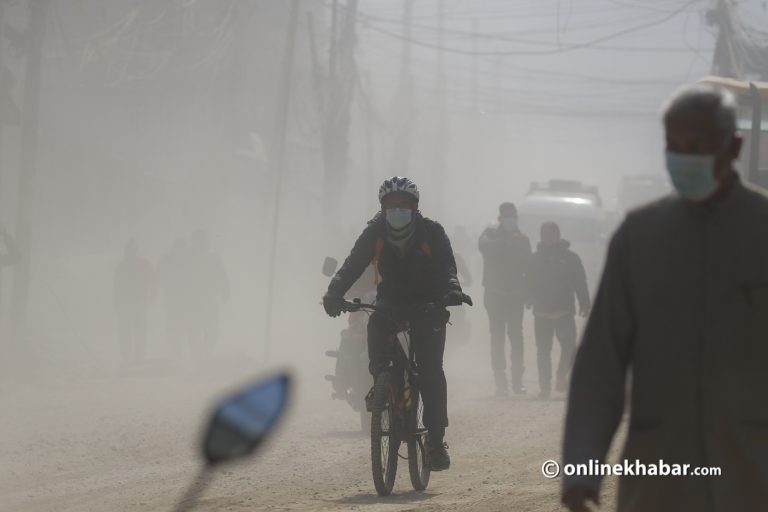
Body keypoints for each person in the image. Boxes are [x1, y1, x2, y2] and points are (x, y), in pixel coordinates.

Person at [562, 84, 768, 512]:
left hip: (753, 475)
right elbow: (602, 360)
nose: (683, 157)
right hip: (660, 481)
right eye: (673, 145)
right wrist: (581, 468)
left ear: (734, 146)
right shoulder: (638, 238)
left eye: (697, 145)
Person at [322, 177, 471, 471]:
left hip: (428, 305)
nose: (397, 210)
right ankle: (381, 386)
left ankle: (436, 440)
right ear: (382, 208)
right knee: (376, 328)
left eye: (403, 205)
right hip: (390, 302)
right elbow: (353, 264)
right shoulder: (374, 232)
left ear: (415, 207)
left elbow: (446, 267)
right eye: (391, 206)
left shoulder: (432, 232)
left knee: (430, 370)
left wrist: (451, 290)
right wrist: (334, 292)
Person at [527, 221, 590, 399]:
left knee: (569, 347)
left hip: (564, 311)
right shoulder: (535, 258)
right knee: (543, 351)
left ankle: (561, 374)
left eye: (549, 234)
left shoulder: (571, 258)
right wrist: (529, 297)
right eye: (543, 234)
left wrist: (584, 303)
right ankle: (544, 387)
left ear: (557, 235)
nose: (546, 238)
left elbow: (580, 282)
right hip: (542, 312)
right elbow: (528, 281)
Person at [478, 202, 531, 396]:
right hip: (495, 294)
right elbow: (482, 246)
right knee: (497, 337)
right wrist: (503, 242)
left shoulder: (523, 239)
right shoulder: (490, 234)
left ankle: (517, 381)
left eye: (513, 216)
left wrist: (529, 292)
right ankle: (501, 382)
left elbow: (529, 267)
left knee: (517, 337)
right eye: (507, 216)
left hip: (516, 295)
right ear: (500, 218)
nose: (511, 220)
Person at [113, 239, 156, 366]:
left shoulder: (145, 265)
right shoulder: (121, 266)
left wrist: (152, 296)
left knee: (140, 331)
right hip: (125, 305)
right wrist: (116, 302)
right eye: (129, 250)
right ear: (126, 252)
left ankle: (139, 357)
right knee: (125, 331)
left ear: (137, 251)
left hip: (140, 304)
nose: (131, 253)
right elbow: (116, 286)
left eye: (133, 250)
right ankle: (126, 356)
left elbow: (153, 281)